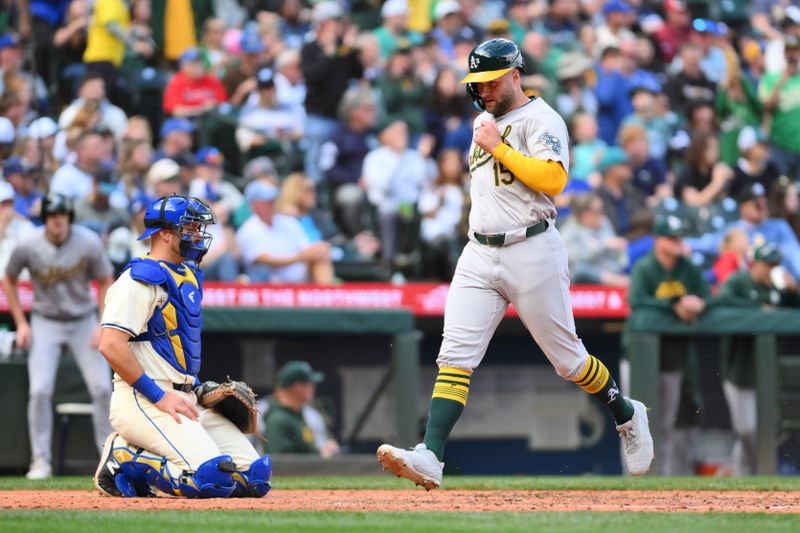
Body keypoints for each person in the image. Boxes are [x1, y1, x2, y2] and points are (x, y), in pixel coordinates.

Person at [377, 39, 654, 490]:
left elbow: (554, 180)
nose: (482, 90)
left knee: (568, 360)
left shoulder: (541, 119)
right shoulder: (483, 121)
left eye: (489, 81)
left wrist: (499, 146)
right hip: (479, 251)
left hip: (532, 246)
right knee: (455, 355)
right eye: (476, 83)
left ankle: (626, 412)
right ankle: (430, 455)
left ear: (514, 74)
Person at [92, 195, 272, 498]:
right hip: (143, 398)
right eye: (189, 228)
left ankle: (140, 449)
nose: (198, 236)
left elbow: (176, 346)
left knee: (254, 479)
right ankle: (121, 454)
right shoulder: (137, 280)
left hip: (184, 399)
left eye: (198, 229)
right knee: (209, 481)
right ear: (164, 233)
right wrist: (159, 395)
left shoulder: (187, 274)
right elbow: (110, 345)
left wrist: (198, 388)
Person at [1, 193, 115, 480]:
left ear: (69, 217)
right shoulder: (28, 244)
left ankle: (109, 458)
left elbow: (106, 280)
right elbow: (9, 279)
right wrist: (21, 323)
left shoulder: (87, 241)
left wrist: (102, 322)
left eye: (63, 215)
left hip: (82, 319)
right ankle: (41, 461)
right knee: (39, 390)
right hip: (45, 321)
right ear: (45, 219)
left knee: (102, 388)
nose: (58, 221)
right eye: (53, 216)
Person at [627, 215, 710, 475]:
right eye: (672, 238)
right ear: (658, 240)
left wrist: (699, 304)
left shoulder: (688, 268)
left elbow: (707, 295)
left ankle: (657, 479)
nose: (677, 242)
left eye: (679, 238)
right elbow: (637, 301)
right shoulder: (645, 267)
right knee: (632, 424)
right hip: (639, 357)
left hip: (673, 357)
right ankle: (632, 478)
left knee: (664, 423)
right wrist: (673, 306)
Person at [715, 243, 800, 475]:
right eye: (768, 264)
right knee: (746, 430)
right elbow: (720, 301)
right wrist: (756, 308)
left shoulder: (778, 287)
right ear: (756, 264)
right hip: (739, 369)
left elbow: (793, 310)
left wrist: (793, 292)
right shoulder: (739, 281)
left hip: (768, 372)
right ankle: (749, 472)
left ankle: (750, 477)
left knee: (767, 430)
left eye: (775, 264)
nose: (772, 268)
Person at [262, 360, 338, 456]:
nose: (313, 388)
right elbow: (280, 464)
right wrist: (320, 455)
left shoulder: (298, 415)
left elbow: (306, 450)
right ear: (297, 387)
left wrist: (322, 450)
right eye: (310, 384)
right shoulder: (277, 419)